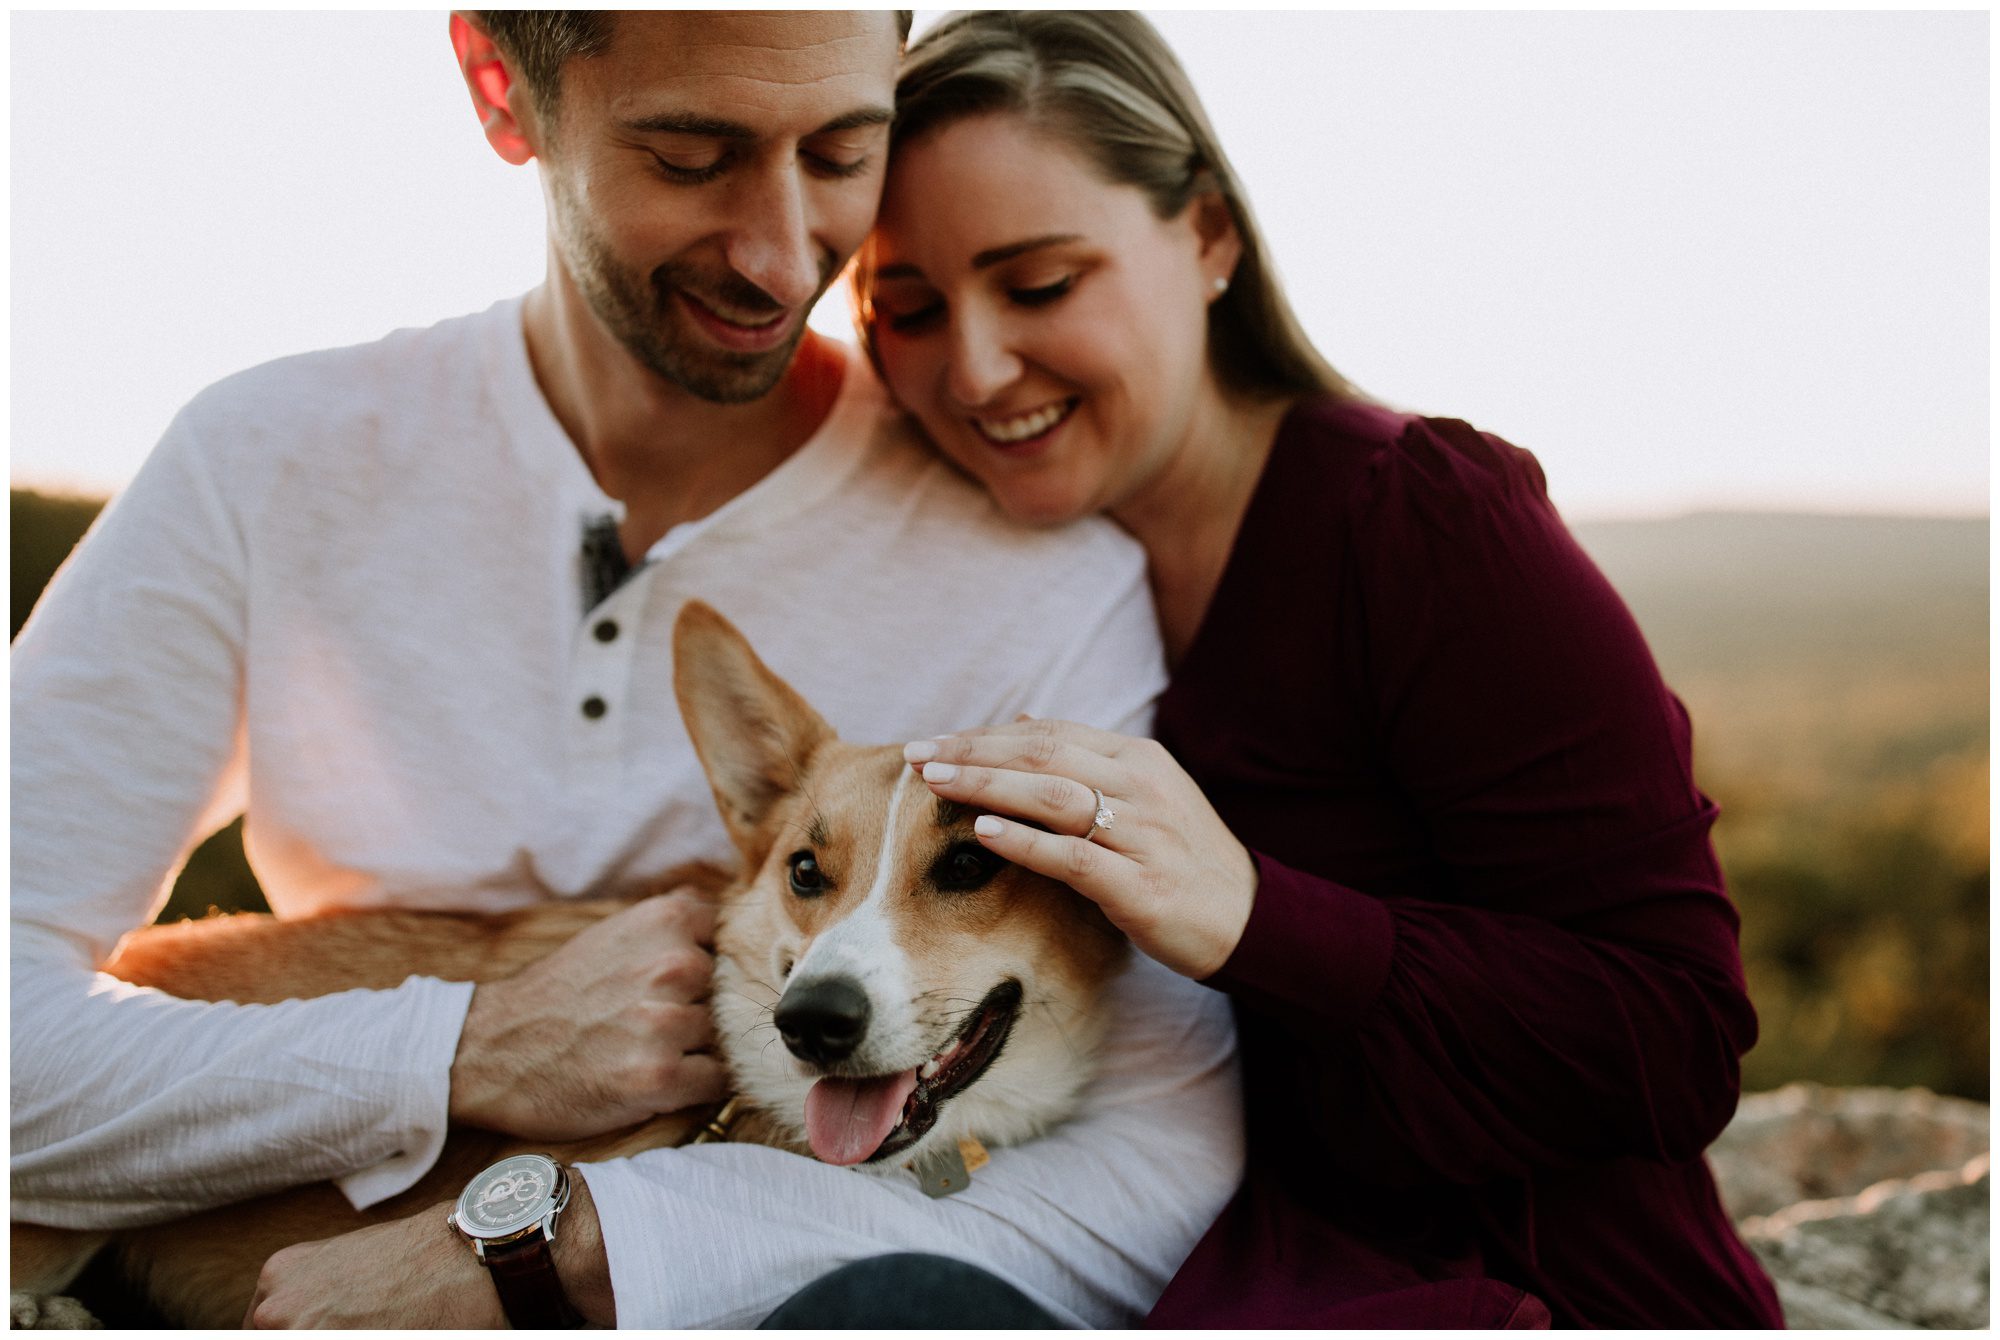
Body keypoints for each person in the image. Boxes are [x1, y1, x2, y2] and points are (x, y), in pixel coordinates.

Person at [9, 11, 1243, 1328]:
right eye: (691, 155)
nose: (783, 258)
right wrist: (467, 1049)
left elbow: (1156, 1176)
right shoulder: (266, 458)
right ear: (503, 91)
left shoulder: (1052, 583)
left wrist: (560, 1247)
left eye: (840, 151)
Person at [860, 10, 1786, 1328]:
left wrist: (1257, 916)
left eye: (1042, 284)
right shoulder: (1009, 570)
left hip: (1515, 1291)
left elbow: (1676, 1036)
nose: (975, 366)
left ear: (1209, 235)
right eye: (907, 309)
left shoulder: (1420, 523)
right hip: (1173, 1263)